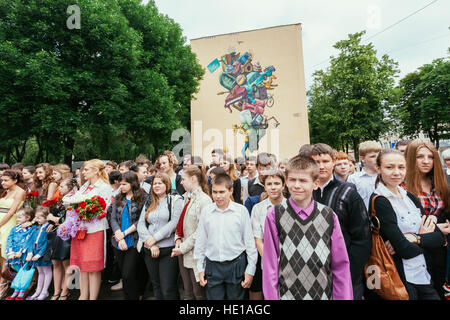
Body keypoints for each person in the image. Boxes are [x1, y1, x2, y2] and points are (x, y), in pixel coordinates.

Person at [263, 155, 353, 300]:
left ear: (315, 183)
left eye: (303, 180)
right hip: (288, 295)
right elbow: (270, 264)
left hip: (323, 294)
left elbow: (340, 265)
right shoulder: (274, 214)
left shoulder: (329, 216)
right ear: (286, 181)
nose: (297, 185)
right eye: (292, 180)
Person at [370, 149, 449, 300]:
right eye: (389, 167)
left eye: (401, 167)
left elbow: (439, 239)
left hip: (423, 273)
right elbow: (405, 250)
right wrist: (423, 237)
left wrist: (415, 237)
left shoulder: (409, 197)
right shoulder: (381, 201)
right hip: (401, 277)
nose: (396, 172)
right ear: (379, 169)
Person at [308, 143, 371, 300]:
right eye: (316, 162)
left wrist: (349, 271)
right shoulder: (303, 193)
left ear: (333, 161)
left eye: (325, 161)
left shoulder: (348, 193)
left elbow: (362, 237)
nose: (321, 166)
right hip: (312, 272)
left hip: (346, 271)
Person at [194, 173, 258, 300]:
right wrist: (200, 268)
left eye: (222, 192)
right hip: (213, 266)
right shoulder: (207, 212)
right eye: (215, 192)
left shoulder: (241, 211)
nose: (218, 196)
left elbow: (249, 242)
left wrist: (250, 269)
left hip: (236, 265)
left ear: (231, 191)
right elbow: (201, 241)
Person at [58, 159, 113, 300]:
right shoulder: (85, 186)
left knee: (93, 267)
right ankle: (83, 295)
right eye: (83, 169)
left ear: (96, 170)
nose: (83, 172)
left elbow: (104, 208)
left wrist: (86, 210)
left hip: (95, 229)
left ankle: (92, 297)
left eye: (87, 169)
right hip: (80, 229)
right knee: (82, 265)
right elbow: (70, 199)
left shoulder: (104, 187)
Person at [405, 139, 449, 299]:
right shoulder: (401, 185)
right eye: (420, 156)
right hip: (416, 250)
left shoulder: (441, 182)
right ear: (410, 158)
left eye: (430, 157)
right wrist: (437, 228)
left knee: (439, 290)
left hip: (440, 249)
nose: (426, 161)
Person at [137, 172, 183, 300]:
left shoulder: (175, 200)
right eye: (155, 183)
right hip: (149, 249)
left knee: (168, 288)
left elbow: (174, 223)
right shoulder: (149, 201)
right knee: (156, 286)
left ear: (167, 184)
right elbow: (141, 223)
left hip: (168, 250)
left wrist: (155, 238)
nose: (157, 186)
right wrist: (150, 242)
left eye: (160, 183)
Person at [171, 165, 212, 300]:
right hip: (182, 250)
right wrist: (177, 239)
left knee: (198, 292)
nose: (180, 182)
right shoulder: (186, 197)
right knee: (187, 291)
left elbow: (201, 231)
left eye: (183, 179)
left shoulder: (204, 200)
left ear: (193, 179)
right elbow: (180, 222)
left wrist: (182, 248)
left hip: (195, 253)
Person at [110, 171, 149, 300]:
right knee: (125, 275)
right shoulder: (118, 197)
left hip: (134, 239)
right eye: (120, 184)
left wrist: (124, 234)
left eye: (124, 184)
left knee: (128, 274)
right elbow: (113, 218)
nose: (121, 187)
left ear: (132, 183)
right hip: (118, 240)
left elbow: (142, 219)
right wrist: (118, 234)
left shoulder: (143, 197)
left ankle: (135, 295)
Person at [250, 170, 287, 300]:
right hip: (267, 261)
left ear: (283, 185)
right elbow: (257, 239)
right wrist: (270, 261)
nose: (273, 187)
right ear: (264, 186)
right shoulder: (258, 209)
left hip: (290, 262)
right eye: (269, 183)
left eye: (277, 183)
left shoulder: (292, 207)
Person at [48, 178, 78, 300]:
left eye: (62, 186)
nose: (59, 188)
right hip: (56, 234)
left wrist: (55, 220)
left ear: (71, 188)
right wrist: (51, 220)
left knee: (67, 263)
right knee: (55, 263)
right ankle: (56, 291)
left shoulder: (74, 200)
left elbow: (72, 220)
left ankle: (65, 292)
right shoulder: (60, 200)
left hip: (67, 234)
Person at [0, 170, 26, 299]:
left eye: (6, 180)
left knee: (5, 253)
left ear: (15, 180)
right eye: (2, 180)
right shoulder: (6, 191)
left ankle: (4, 283)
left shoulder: (20, 192)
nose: (3, 182)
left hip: (9, 223)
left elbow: (11, 212)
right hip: (1, 219)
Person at [4, 208, 35, 300]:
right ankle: (16, 291)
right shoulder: (14, 229)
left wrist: (21, 251)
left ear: (28, 217)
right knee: (17, 273)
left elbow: (29, 241)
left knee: (23, 273)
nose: (17, 219)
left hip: (23, 254)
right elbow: (9, 240)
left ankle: (22, 291)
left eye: (20, 217)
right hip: (14, 254)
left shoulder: (31, 229)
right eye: (17, 217)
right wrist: (10, 252)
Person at [25, 206, 53, 300]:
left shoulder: (48, 227)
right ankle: (38, 291)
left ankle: (45, 291)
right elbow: (31, 240)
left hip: (44, 252)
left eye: (39, 217)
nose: (37, 219)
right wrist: (31, 252)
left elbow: (46, 243)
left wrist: (39, 254)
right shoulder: (37, 227)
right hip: (35, 251)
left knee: (47, 271)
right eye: (36, 217)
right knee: (40, 272)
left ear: (46, 217)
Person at [347, 141, 382, 210]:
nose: (378, 159)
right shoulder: (353, 179)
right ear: (362, 159)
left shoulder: (386, 176)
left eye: (379, 155)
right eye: (373, 156)